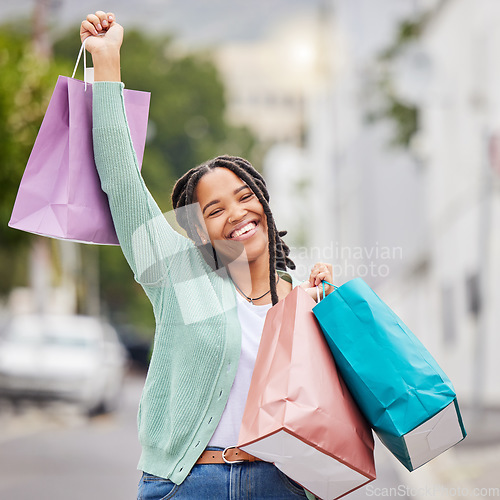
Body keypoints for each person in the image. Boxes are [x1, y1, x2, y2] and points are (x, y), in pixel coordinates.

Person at [81, 11, 334, 500]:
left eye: (244, 197)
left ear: (262, 201)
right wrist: (108, 59)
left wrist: (331, 310)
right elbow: (120, 178)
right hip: (187, 483)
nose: (237, 214)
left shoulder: (303, 301)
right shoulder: (176, 274)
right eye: (214, 209)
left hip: (278, 483)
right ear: (198, 227)